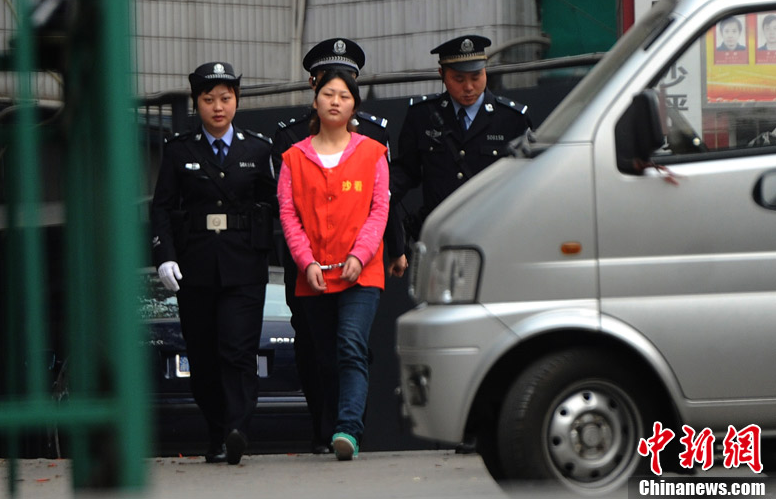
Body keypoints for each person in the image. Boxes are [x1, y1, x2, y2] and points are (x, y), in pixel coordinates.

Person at [271, 37, 405, 454]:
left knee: (351, 344)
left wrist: (369, 253)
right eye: (327, 92)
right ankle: (326, 429)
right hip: (312, 271)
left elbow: (381, 209)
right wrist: (304, 261)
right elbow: (288, 215)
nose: (335, 100)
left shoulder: (373, 149)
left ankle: (347, 429)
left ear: (354, 103)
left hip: (360, 269)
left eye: (344, 94)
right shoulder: (293, 153)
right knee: (322, 355)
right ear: (314, 95)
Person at [151, 61, 276, 465]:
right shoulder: (179, 150)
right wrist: (164, 257)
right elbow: (162, 209)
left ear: (237, 100)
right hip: (196, 265)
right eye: (209, 100)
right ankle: (217, 432)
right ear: (196, 103)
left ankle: (238, 428)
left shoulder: (258, 149)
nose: (218, 107)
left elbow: (275, 207)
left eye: (226, 98)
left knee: (237, 351)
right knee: (203, 355)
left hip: (243, 266)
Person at [390, 34, 532, 245]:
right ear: (442, 75)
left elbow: (527, 180)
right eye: (459, 79)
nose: (468, 87)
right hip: (440, 234)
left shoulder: (511, 119)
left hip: (493, 234)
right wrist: (377, 196)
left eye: (476, 77)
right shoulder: (423, 116)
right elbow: (405, 171)